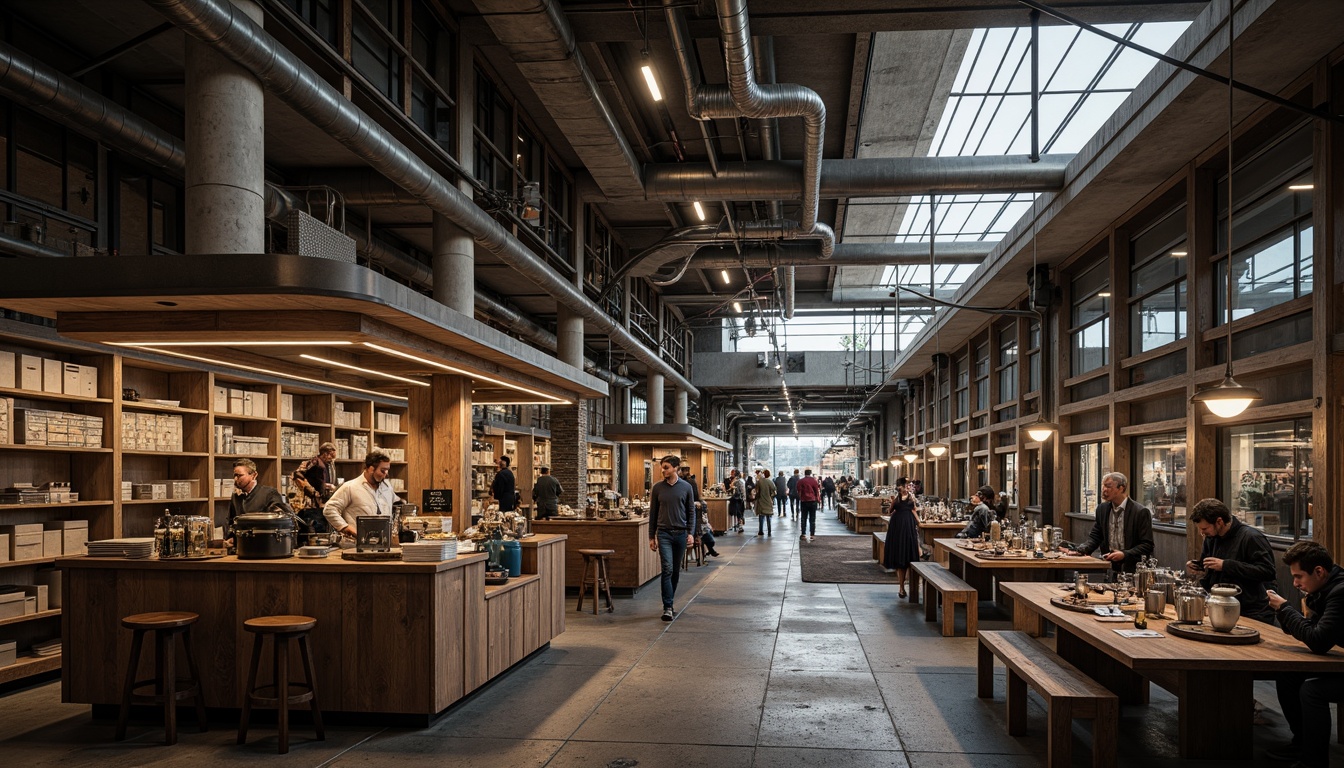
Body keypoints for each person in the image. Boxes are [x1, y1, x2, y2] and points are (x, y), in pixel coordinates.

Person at [1266, 542, 1344, 768]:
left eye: (1299, 576)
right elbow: (1303, 630)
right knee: (1287, 672)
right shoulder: (1324, 590)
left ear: (1319, 571)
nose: (1295, 583)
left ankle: (1314, 762)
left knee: (1312, 690)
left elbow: (1318, 641)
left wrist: (1284, 609)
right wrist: (1286, 611)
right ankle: (1301, 743)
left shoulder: (1339, 592)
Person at [1185, 497, 1276, 624]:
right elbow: (1211, 564)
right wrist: (1199, 566)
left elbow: (1268, 571)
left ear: (1219, 522)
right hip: (1220, 606)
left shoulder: (1251, 537)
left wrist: (1226, 565)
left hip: (1252, 612)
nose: (1202, 533)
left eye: (1204, 529)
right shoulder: (1211, 538)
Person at [1064, 472, 1154, 573]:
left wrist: (1124, 554)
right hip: (1109, 566)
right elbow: (1096, 536)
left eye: (1108, 486)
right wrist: (1080, 550)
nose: (1104, 489)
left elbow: (1147, 545)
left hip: (1133, 569)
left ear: (1121, 488)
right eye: (1103, 486)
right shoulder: (1102, 509)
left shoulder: (1140, 512)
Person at [648, 455, 697, 621]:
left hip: (681, 533)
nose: (663, 470)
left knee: (675, 570)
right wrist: (651, 536)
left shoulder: (686, 487)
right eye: (662, 467)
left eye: (667, 467)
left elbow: (691, 511)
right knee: (667, 568)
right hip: (664, 534)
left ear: (676, 468)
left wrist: (691, 533)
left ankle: (670, 599)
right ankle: (667, 606)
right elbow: (653, 513)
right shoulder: (657, 488)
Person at [323, 451, 398, 546]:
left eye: (387, 470)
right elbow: (329, 509)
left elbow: (395, 505)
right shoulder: (350, 487)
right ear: (371, 469)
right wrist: (345, 527)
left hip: (384, 544)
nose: (386, 474)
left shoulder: (387, 488)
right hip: (357, 545)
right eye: (383, 470)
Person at [226, 457, 288, 543]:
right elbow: (231, 521)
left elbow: (279, 522)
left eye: (239, 475)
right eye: (234, 475)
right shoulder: (236, 496)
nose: (235, 479)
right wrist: (231, 538)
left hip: (265, 544)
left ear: (254, 475)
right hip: (242, 546)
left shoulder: (270, 494)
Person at [882, 476, 922, 598]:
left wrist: (919, 522)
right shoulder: (897, 498)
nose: (908, 487)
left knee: (909, 552)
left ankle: (910, 585)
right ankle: (901, 587)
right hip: (898, 526)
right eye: (906, 485)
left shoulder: (910, 497)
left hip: (907, 524)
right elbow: (890, 511)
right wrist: (892, 502)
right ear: (901, 487)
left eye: (908, 485)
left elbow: (914, 510)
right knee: (901, 553)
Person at [291, 441, 337, 533]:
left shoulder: (326, 465)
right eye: (331, 456)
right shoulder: (314, 462)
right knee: (314, 528)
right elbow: (297, 475)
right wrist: (311, 491)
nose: (332, 460)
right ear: (325, 454)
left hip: (321, 503)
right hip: (310, 505)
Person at [679, 466, 719, 557]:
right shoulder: (691, 484)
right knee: (704, 532)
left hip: (688, 524)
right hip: (696, 525)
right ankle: (706, 551)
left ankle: (702, 552)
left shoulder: (685, 484)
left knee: (703, 531)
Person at [797, 468, 821, 541]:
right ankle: (812, 535)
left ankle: (803, 534)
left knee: (803, 518)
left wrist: (801, 497)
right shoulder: (813, 480)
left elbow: (798, 490)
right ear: (810, 473)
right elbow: (817, 491)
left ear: (804, 473)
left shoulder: (800, 481)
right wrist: (818, 499)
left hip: (804, 501)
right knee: (812, 518)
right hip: (812, 501)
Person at [755, 468, 777, 536]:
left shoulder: (759, 481)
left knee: (761, 517)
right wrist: (771, 497)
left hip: (761, 501)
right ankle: (769, 531)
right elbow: (775, 491)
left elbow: (757, 490)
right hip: (768, 501)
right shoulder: (770, 482)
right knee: (768, 517)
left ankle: (760, 531)